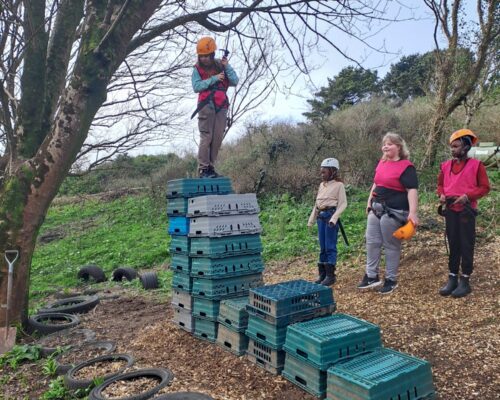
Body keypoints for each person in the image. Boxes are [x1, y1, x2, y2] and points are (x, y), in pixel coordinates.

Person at [357, 132, 419, 294]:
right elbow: (376, 184)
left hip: (394, 211)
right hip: (376, 208)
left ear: (398, 147)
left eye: (389, 143)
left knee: (391, 245)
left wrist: (413, 212)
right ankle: (371, 276)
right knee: (372, 242)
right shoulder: (382, 163)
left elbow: (411, 190)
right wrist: (369, 202)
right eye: (384, 143)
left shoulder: (406, 166)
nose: (385, 146)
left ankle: (391, 279)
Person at [437, 129, 490, 298]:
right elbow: (440, 185)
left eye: (456, 146)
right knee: (453, 243)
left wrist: (468, 196)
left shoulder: (477, 166)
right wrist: (442, 195)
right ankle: (452, 277)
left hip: (467, 211)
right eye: (451, 146)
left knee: (466, 244)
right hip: (451, 210)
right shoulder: (445, 166)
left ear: (466, 146)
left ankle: (465, 279)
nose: (452, 149)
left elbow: (484, 187)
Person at [192, 37, 239, 178]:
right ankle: (203, 169)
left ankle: (211, 168)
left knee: (217, 138)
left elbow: (234, 81)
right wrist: (214, 79)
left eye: (207, 56)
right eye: (202, 56)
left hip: (222, 105)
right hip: (206, 104)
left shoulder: (221, 65)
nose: (204, 59)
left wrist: (227, 66)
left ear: (212, 54)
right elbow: (196, 86)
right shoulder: (197, 69)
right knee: (207, 136)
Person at [307, 158, 347, 286]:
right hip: (320, 217)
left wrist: (334, 218)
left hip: (330, 217)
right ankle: (322, 274)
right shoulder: (321, 185)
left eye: (325, 171)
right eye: (321, 171)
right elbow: (317, 204)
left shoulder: (339, 185)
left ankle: (331, 275)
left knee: (330, 246)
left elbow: (343, 204)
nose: (322, 173)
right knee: (322, 247)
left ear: (333, 171)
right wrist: (311, 219)